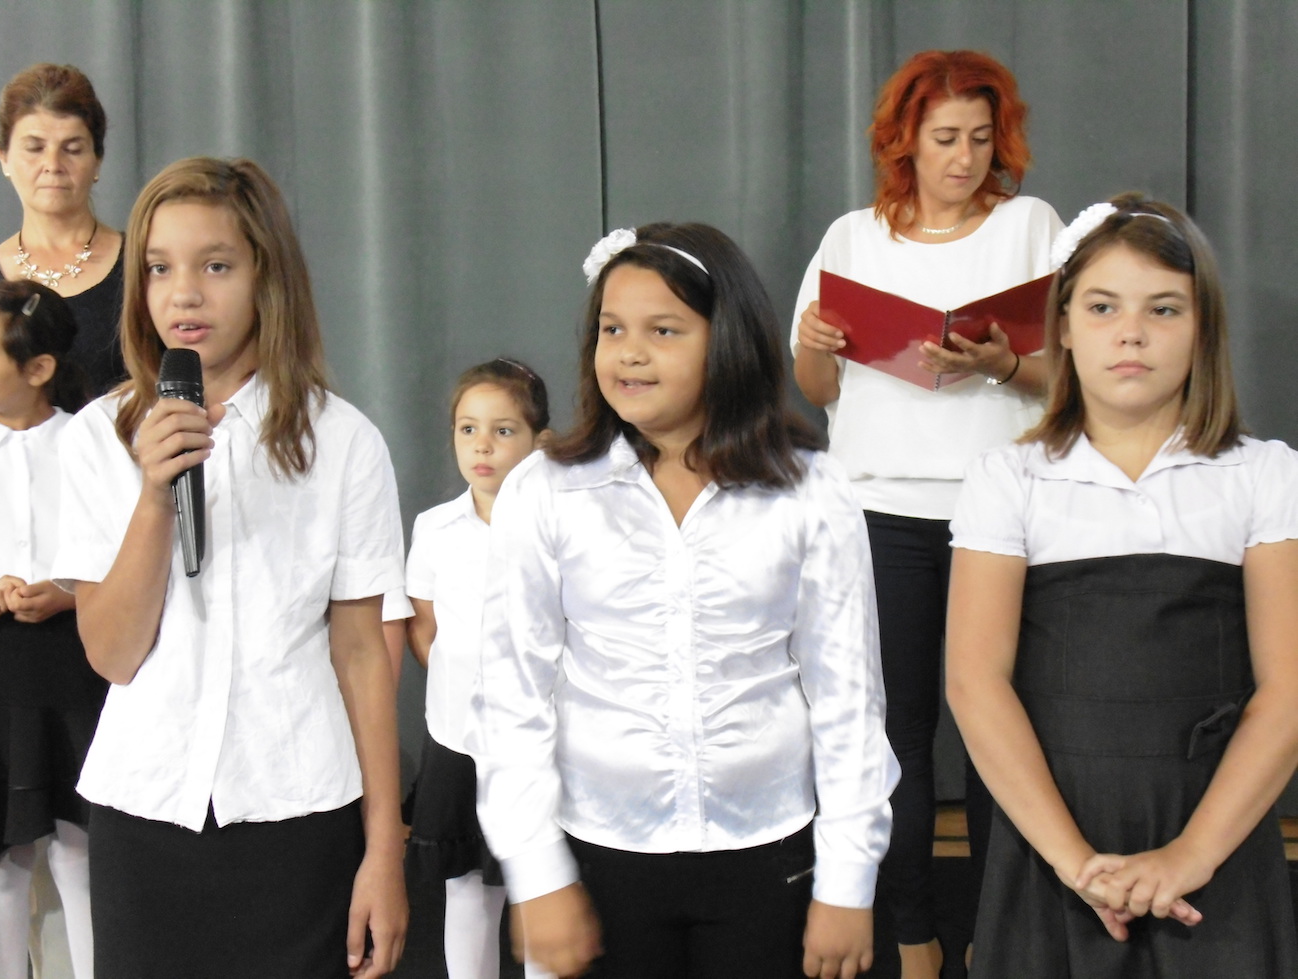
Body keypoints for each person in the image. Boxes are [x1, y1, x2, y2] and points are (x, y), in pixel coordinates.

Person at [470, 222, 899, 979]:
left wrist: (847, 881)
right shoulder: (547, 490)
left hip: (769, 848)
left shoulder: (809, 489)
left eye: (662, 330)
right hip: (600, 850)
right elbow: (511, 694)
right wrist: (537, 871)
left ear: (726, 340)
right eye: (612, 329)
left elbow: (848, 698)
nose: (629, 353)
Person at [50, 157, 408, 979]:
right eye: (158, 268)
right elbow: (111, 653)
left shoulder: (342, 441)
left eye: (215, 266)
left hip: (299, 814)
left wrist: (384, 849)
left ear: (266, 276)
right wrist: (153, 497)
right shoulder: (98, 438)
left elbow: (363, 654)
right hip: (147, 814)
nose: (184, 294)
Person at [945, 194, 1298, 977]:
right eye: (1103, 307)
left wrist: (1191, 854)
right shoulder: (1011, 478)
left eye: (1163, 309)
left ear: (1203, 327)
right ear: (1064, 326)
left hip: (1216, 838)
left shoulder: (1264, 474)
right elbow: (974, 681)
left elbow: (1289, 689)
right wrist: (1076, 862)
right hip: (1054, 840)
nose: (1131, 332)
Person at [789, 49, 1062, 978]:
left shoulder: (1030, 227)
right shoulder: (851, 238)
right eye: (946, 138)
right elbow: (817, 386)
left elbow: (1072, 373)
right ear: (903, 141)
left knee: (998, 729)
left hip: (1001, 511)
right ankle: (913, 934)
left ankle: (996, 931)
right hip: (878, 509)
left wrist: (1001, 364)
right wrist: (814, 341)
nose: (965, 158)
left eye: (982, 138)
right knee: (893, 732)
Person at [403, 357, 552, 979]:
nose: (482, 445)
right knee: (466, 888)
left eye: (503, 430)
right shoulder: (435, 528)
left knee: (542, 887)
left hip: (539, 742)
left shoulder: (558, 529)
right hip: (459, 740)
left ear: (539, 441)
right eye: (468, 429)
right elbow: (424, 626)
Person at [0, 280, 101, 979]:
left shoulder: (90, 443)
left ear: (38, 369)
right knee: (2, 860)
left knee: (78, 846)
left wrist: (67, 593)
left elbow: (121, 552)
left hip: (73, 664)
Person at [0, 63, 124, 398]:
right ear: (4, 158)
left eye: (72, 149)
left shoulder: (145, 264)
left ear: (97, 159)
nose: (53, 165)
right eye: (35, 148)